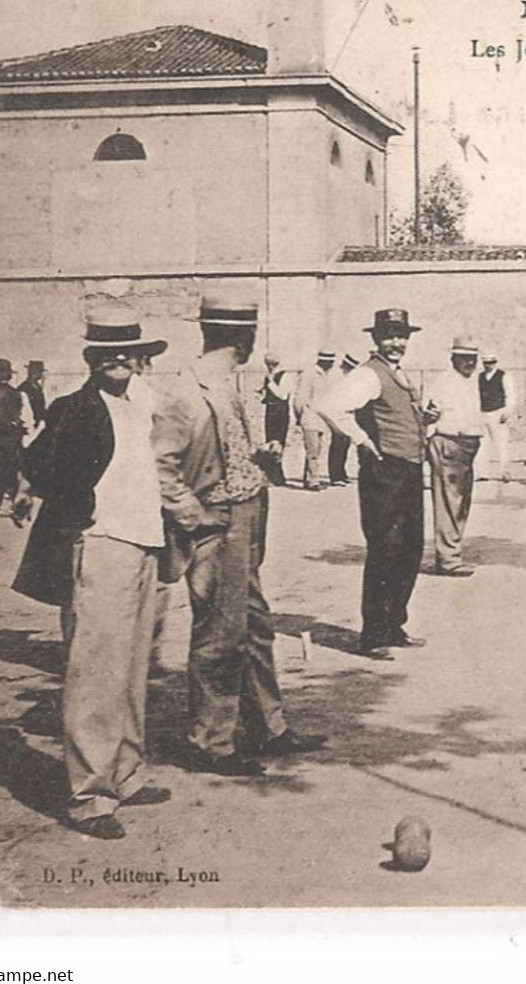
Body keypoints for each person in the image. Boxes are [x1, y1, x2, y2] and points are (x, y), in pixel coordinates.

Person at [11, 308, 172, 838]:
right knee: (94, 673)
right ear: (91, 358)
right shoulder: (75, 408)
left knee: (129, 669)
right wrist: (75, 513)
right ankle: (90, 798)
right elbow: (35, 465)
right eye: (108, 351)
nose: (120, 359)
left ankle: (124, 775)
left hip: (144, 545)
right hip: (102, 545)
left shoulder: (140, 403)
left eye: (129, 350)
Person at [152, 292, 326, 777]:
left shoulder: (229, 384)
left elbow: (228, 451)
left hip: (246, 516)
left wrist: (261, 458)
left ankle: (268, 727)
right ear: (242, 338)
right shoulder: (188, 391)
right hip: (218, 523)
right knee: (220, 635)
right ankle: (211, 741)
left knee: (254, 627)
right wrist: (195, 517)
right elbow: (162, 464)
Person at [316, 309, 431, 659]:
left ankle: (394, 625)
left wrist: (426, 419)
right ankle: (373, 635)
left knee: (410, 549)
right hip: (384, 472)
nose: (397, 343)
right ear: (376, 339)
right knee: (384, 549)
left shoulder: (399, 374)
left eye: (402, 335)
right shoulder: (368, 374)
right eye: (390, 336)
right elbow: (329, 406)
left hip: (409, 469)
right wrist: (362, 440)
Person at [424, 337, 484, 576]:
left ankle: (451, 554)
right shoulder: (443, 382)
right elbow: (428, 413)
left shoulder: (471, 381)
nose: (469, 362)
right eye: (463, 357)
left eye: (473, 358)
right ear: (453, 359)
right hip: (449, 444)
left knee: (460, 504)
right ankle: (448, 559)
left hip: (467, 448)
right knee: (449, 503)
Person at [293, 351, 337, 490]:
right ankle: (312, 481)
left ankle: (309, 478)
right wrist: (300, 416)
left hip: (320, 420)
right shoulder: (310, 374)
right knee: (312, 451)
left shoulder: (325, 376)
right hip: (310, 417)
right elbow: (299, 399)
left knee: (316, 450)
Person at [0, 358, 27, 515]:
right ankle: (13, 505)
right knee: (11, 470)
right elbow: (25, 419)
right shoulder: (19, 394)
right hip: (13, 439)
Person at [259, 353, 292, 486]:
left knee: (278, 441)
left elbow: (283, 395)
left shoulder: (285, 376)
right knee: (270, 441)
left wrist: (271, 382)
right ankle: (271, 474)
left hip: (280, 411)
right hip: (270, 410)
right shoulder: (269, 376)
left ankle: (278, 476)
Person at [327, 353, 360, 486]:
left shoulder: (349, 377)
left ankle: (341, 473)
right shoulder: (336, 376)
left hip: (346, 414)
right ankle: (335, 476)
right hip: (336, 414)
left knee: (345, 443)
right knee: (338, 444)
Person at [478, 352, 510, 482]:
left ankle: (504, 472)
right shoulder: (479, 377)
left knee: (501, 443)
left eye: (491, 363)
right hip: (483, 413)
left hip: (498, 412)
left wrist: (507, 412)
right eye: (486, 363)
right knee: (482, 444)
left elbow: (510, 395)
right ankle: (482, 473)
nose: (488, 365)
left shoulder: (504, 376)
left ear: (495, 363)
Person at [20, 359, 49, 435]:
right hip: (31, 424)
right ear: (35, 373)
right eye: (40, 372)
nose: (42, 374)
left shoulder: (37, 387)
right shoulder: (24, 387)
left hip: (39, 422)